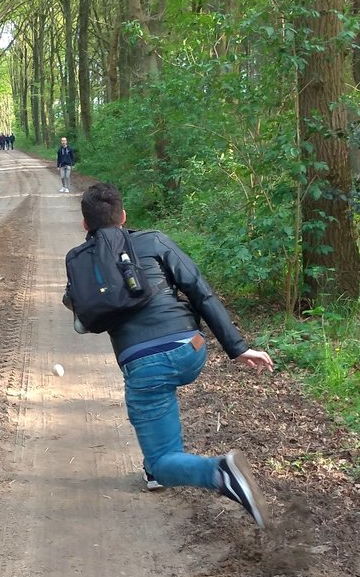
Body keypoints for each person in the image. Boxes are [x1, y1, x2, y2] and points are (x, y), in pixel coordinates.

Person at [63, 182, 275, 527]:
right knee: (160, 395)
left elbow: (82, 316)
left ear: (85, 225)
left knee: (162, 451)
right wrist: (238, 348)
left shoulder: (81, 262)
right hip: (190, 349)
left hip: (143, 364)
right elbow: (201, 292)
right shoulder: (155, 240)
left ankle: (220, 472)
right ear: (124, 216)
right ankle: (155, 472)